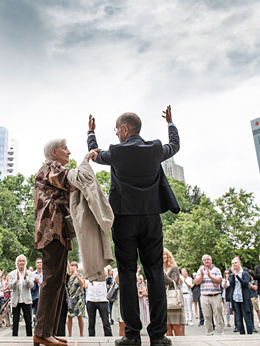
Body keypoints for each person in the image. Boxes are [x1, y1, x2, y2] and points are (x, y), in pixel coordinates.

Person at [88, 107, 179, 346]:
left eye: (117, 129)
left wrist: (91, 132)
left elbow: (94, 155)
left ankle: (131, 335)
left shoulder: (116, 152)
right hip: (151, 219)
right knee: (155, 274)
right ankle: (158, 336)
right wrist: (170, 124)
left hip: (124, 220)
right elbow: (175, 145)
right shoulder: (156, 148)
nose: (116, 133)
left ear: (125, 129)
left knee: (127, 276)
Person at [33, 138, 98, 346]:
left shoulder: (52, 168)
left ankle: (47, 333)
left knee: (58, 281)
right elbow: (73, 181)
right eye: (65, 149)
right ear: (54, 153)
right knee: (52, 280)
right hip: (52, 230)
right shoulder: (52, 166)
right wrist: (86, 160)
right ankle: (42, 333)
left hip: (57, 230)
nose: (69, 152)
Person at [194, 254, 225, 336]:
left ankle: (221, 332)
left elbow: (219, 281)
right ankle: (209, 332)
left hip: (215, 295)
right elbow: (196, 282)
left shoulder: (216, 270)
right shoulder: (200, 270)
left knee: (218, 315)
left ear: (211, 260)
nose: (206, 261)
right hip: (204, 295)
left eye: (208, 259)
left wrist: (210, 276)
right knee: (207, 315)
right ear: (202, 261)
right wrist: (202, 275)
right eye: (204, 260)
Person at [9, 254, 34, 337]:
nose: (22, 262)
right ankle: (14, 337)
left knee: (28, 320)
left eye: (23, 261)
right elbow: (10, 286)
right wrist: (17, 279)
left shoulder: (29, 273)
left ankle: (29, 337)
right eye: (20, 261)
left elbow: (31, 285)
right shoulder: (12, 273)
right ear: (17, 262)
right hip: (16, 300)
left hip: (26, 300)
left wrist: (25, 278)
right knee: (15, 321)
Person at [229, 257, 253, 335]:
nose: (234, 265)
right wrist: (233, 275)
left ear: (239, 263)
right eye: (232, 263)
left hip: (244, 298)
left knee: (247, 318)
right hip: (236, 297)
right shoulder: (231, 274)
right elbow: (231, 284)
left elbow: (245, 283)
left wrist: (237, 275)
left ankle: (250, 334)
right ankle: (241, 334)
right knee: (238, 319)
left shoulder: (244, 273)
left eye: (236, 263)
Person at [163, 248, 184, 336]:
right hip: (163, 299)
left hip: (173, 299)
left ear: (168, 256)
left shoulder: (174, 268)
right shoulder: (157, 268)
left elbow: (173, 282)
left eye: (164, 254)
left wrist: (163, 274)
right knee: (167, 327)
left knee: (176, 327)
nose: (162, 256)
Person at [67, 262, 86, 337]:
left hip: (79, 299)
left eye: (75, 266)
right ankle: (70, 334)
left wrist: (77, 275)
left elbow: (82, 284)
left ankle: (81, 334)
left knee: (79, 316)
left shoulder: (80, 276)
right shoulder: (68, 276)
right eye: (72, 266)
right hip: (71, 299)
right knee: (70, 317)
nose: (73, 267)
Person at [111, 270, 125, 337]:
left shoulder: (131, 267)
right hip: (120, 298)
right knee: (122, 323)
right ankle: (122, 338)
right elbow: (117, 281)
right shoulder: (116, 270)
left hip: (130, 297)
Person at [31, 258, 43, 326]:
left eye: (41, 262)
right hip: (36, 296)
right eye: (38, 262)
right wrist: (35, 283)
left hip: (44, 296)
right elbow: (31, 287)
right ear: (36, 264)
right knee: (37, 312)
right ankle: (37, 325)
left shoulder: (46, 274)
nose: (39, 264)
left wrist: (39, 282)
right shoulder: (32, 274)